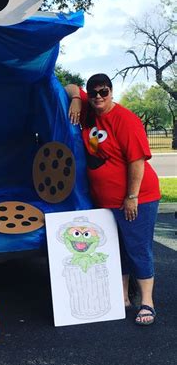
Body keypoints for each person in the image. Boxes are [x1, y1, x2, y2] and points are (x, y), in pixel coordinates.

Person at [65, 73, 161, 326]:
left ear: (111, 92)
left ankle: (147, 302)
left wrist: (132, 196)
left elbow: (137, 161)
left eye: (103, 92)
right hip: (105, 202)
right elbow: (68, 85)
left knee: (138, 248)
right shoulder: (89, 110)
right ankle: (122, 297)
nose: (98, 96)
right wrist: (76, 98)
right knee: (116, 249)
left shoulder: (125, 119)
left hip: (137, 198)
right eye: (93, 92)